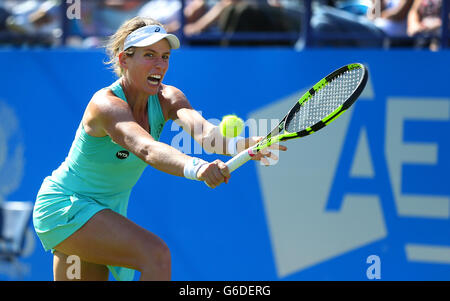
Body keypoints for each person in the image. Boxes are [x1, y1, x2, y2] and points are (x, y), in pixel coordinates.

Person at [32, 16, 285, 281]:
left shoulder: (169, 98)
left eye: (165, 56)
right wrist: (199, 168)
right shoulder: (106, 105)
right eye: (149, 55)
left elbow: (206, 135)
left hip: (106, 210)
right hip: (66, 207)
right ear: (123, 60)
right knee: (156, 255)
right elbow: (147, 148)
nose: (160, 64)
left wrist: (242, 145)